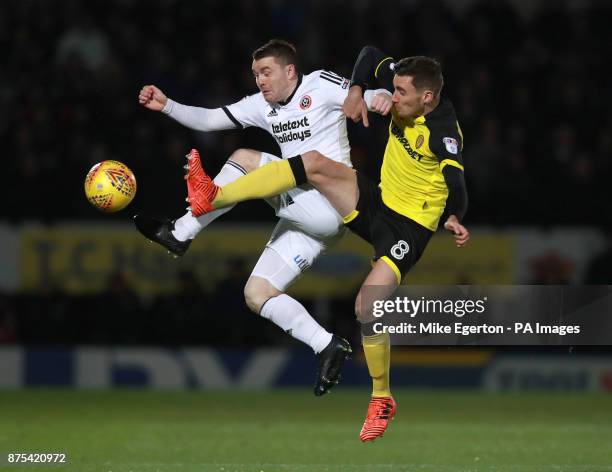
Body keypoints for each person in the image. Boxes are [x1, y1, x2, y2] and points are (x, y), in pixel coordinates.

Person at [181, 45, 470, 442]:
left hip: (409, 229)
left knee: (367, 304)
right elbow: (369, 55)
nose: (393, 96)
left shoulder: (443, 133)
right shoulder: (402, 86)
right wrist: (357, 90)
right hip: (379, 201)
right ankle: (210, 197)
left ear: (427, 98)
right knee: (314, 162)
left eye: (401, 93)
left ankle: (381, 397)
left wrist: (454, 215)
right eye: (395, 88)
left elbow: (457, 183)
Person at [135, 39, 390, 396]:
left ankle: (181, 231)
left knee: (246, 157)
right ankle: (328, 345)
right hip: (309, 221)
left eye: (266, 72)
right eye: (255, 74)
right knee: (257, 294)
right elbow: (210, 119)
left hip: (332, 202)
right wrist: (167, 106)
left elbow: (364, 94)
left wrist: (381, 96)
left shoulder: (319, 85)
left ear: (290, 71)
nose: (260, 81)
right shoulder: (261, 105)